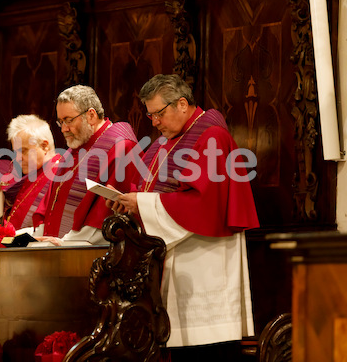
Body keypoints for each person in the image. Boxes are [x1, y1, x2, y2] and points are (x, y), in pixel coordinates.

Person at [109, 74, 259, 361]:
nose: (154, 122)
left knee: (207, 350)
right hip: (174, 259)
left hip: (204, 260)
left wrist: (140, 203)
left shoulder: (211, 136)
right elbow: (147, 189)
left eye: (158, 114)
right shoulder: (165, 143)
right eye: (150, 115)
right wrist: (127, 202)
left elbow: (202, 204)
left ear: (181, 103)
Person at [32, 85, 139, 245]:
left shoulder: (120, 147)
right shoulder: (73, 150)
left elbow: (105, 215)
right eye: (60, 122)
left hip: (86, 253)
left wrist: (65, 243)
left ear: (91, 115)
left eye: (69, 120)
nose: (64, 129)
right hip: (56, 250)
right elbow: (51, 206)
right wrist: (39, 239)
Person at [0, 114, 62, 230]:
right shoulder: (34, 175)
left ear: (44, 146)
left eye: (23, 151)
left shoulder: (61, 175)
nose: (18, 158)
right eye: (16, 152)